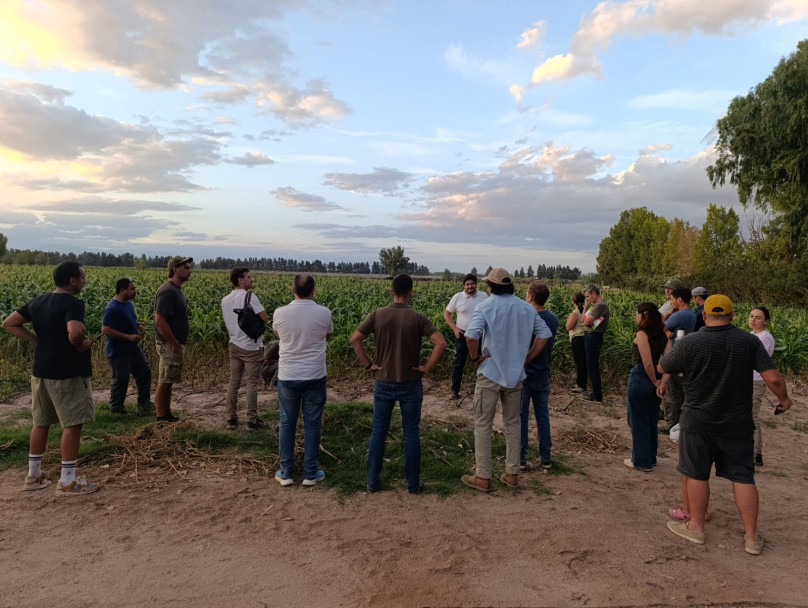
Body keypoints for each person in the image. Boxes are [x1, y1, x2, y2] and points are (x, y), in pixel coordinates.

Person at [658, 295, 792, 555]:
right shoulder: (749, 342)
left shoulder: (691, 342)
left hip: (697, 421)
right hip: (737, 423)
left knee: (696, 473)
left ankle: (696, 528)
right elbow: (773, 379)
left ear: (704, 316)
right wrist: (784, 400)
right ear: (732, 316)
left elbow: (665, 365)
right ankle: (752, 538)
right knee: (743, 477)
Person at [1, 262, 100, 496]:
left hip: (41, 370)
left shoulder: (38, 301)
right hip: (66, 371)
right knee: (72, 423)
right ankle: (68, 481)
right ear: (73, 280)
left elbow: (9, 323)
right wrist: (82, 344)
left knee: (41, 421)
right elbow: (75, 332)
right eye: (82, 277)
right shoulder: (73, 303)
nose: (84, 280)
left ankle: (34, 475)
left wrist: (38, 340)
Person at [350, 274, 446, 494]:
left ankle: (372, 482)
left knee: (379, 432)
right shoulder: (419, 318)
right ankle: (412, 484)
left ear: (391, 292)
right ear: (411, 293)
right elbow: (441, 344)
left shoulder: (377, 315)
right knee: (411, 432)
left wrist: (369, 365)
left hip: (383, 381)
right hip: (411, 383)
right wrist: (426, 368)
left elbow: (355, 340)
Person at [461, 269, 551, 492]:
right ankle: (512, 474)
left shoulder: (486, 306)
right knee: (513, 423)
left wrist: (475, 359)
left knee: (483, 424)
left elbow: (471, 336)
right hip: (515, 377)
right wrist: (526, 358)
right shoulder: (526, 308)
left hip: (490, 373)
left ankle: (483, 476)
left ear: (490, 286)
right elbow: (544, 335)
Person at [272, 274, 334, 486]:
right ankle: (310, 472)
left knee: (287, 423)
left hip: (288, 375)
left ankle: (286, 472)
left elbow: (280, 335)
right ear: (313, 291)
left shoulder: (279, 312)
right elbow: (327, 336)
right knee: (313, 424)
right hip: (314, 375)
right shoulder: (324, 312)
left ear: (293, 290)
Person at [221, 267, 269, 431]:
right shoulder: (249, 297)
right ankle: (251, 420)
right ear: (240, 280)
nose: (251, 279)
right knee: (252, 383)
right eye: (248, 277)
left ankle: (231, 419)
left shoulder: (225, 300)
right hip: (251, 346)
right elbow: (264, 318)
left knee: (233, 382)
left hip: (234, 345)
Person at [624, 303, 670, 472]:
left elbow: (647, 363)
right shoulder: (664, 337)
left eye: (637, 313)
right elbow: (669, 362)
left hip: (641, 377)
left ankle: (641, 461)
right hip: (658, 377)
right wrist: (662, 381)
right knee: (651, 419)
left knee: (637, 420)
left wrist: (654, 381)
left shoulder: (642, 334)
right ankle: (650, 457)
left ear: (643, 315)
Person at [101, 278, 153, 416]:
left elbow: (129, 319)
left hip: (133, 348)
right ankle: (117, 408)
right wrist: (128, 337)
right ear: (122, 290)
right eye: (132, 288)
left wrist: (138, 325)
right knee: (121, 379)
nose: (135, 291)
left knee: (144, 372)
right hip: (119, 351)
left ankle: (144, 404)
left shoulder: (128, 304)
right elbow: (106, 329)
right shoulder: (112, 308)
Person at [520, 281, 558, 470]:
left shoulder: (525, 317)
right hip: (543, 372)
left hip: (525, 372)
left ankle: (520, 457)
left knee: (521, 416)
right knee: (543, 415)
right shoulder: (553, 319)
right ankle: (546, 458)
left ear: (531, 297)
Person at [153, 256, 192, 422]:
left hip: (172, 343)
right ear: (175, 269)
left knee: (169, 380)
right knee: (165, 380)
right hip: (169, 344)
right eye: (186, 267)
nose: (190, 270)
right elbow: (159, 320)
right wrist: (174, 342)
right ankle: (161, 417)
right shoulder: (168, 290)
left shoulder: (175, 289)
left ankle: (166, 414)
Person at [443, 274, 487, 400]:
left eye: (472, 283)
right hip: (462, 334)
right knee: (459, 363)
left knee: (481, 362)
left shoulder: (484, 296)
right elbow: (447, 314)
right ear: (464, 285)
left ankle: (482, 390)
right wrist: (455, 329)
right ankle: (454, 390)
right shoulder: (458, 297)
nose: (470, 286)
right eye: (467, 284)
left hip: (480, 335)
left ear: (476, 284)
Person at [659, 286, 697, 433]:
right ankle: (678, 421)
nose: (671, 302)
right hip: (683, 357)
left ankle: (670, 422)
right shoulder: (690, 314)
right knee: (679, 391)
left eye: (672, 299)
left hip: (673, 356)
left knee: (670, 392)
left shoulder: (680, 315)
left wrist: (668, 314)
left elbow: (658, 327)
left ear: (679, 299)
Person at [749, 306, 774, 467]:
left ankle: (755, 453)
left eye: (758, 317)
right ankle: (755, 452)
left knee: (752, 417)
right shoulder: (752, 335)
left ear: (766, 321)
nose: (753, 319)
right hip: (748, 379)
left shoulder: (765, 337)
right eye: (751, 316)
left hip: (756, 380)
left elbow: (753, 358)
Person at [581, 285, 609, 404]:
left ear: (594, 293)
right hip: (591, 336)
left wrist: (586, 321)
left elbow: (586, 321)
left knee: (592, 365)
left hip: (593, 336)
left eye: (588, 296)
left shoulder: (600, 306)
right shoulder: (596, 306)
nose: (587, 299)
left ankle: (597, 395)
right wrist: (586, 307)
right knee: (591, 365)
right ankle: (595, 392)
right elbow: (583, 319)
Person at [565, 292, 588, 394]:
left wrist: (568, 319)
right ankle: (582, 383)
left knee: (580, 362)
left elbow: (568, 327)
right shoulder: (587, 311)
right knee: (583, 362)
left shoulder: (575, 313)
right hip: (585, 337)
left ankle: (581, 385)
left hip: (577, 339)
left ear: (573, 301)